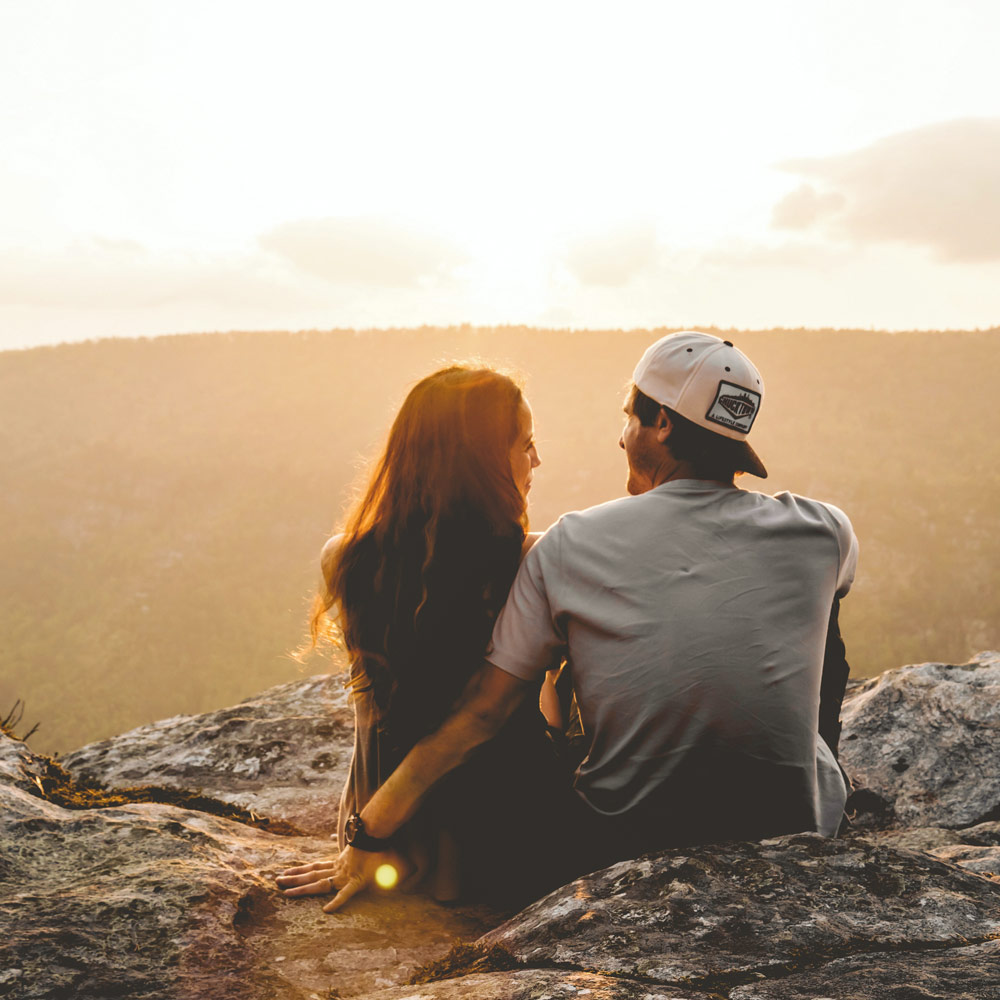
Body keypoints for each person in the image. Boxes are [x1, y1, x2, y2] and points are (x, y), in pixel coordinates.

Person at [289, 331, 859, 913]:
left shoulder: (570, 546)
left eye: (628, 415)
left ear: (660, 422)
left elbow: (483, 713)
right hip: (795, 831)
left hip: (618, 838)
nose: (619, 435)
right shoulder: (826, 531)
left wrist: (370, 829)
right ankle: (804, 780)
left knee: (579, 647)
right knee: (823, 615)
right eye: (527, 444)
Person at [278, 364, 569, 908]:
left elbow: (375, 717)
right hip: (506, 836)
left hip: (389, 836)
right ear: (480, 464)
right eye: (525, 444)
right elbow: (492, 716)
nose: (536, 460)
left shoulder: (343, 557)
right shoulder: (534, 559)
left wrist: (366, 835)